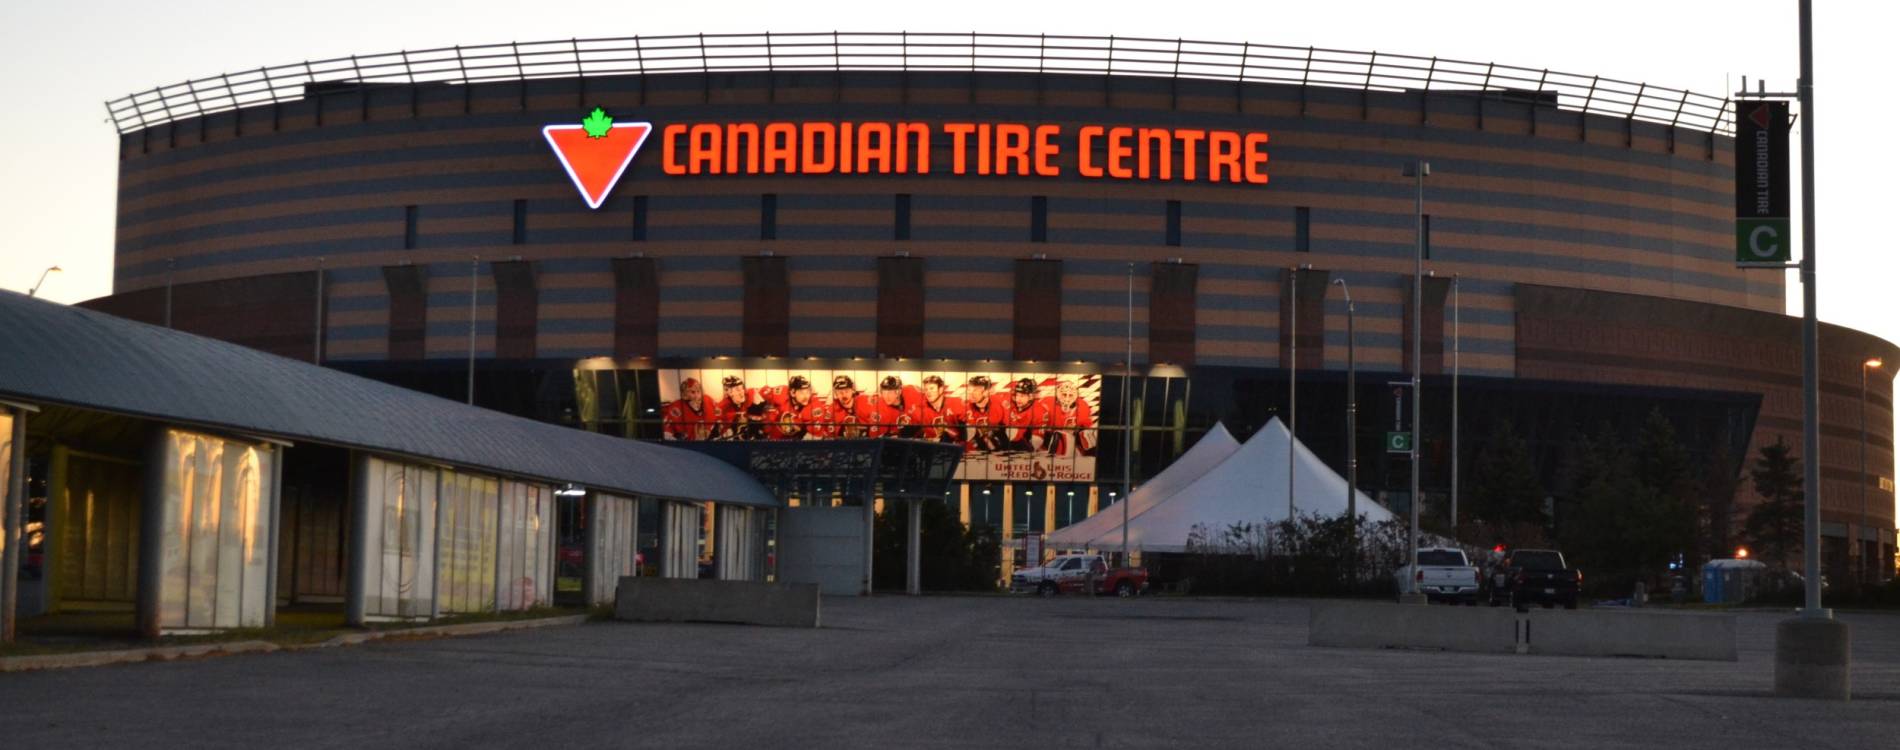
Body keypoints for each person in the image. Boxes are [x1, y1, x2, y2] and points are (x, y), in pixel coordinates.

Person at [1044, 379, 1097, 456]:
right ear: (1058, 394)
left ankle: (1088, 456)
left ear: (1075, 395)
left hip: (1072, 436)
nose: (1067, 398)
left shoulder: (1082, 405)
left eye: (1070, 395)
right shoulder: (1046, 402)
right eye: (1064, 394)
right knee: (1058, 436)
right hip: (1051, 436)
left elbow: (1086, 427)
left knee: (1091, 434)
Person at [999, 377, 1051, 451]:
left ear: (1031, 396)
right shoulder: (1009, 400)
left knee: (1013, 432)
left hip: (1024, 444)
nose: (1018, 399)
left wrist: (1027, 452)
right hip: (1007, 439)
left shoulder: (1039, 411)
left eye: (1022, 396)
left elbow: (1037, 440)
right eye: (1017, 395)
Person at [913, 375, 964, 443]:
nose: (928, 392)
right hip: (932, 449)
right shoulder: (920, 409)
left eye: (931, 388)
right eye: (926, 389)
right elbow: (911, 435)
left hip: (955, 448)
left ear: (941, 389)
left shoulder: (956, 403)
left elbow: (966, 432)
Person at [961, 375, 1004, 452]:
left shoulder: (999, 405)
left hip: (999, 446)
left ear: (987, 391)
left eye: (976, 390)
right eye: (970, 389)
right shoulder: (964, 408)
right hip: (975, 447)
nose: (971, 393)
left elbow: (1010, 433)